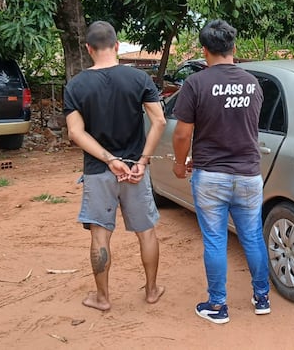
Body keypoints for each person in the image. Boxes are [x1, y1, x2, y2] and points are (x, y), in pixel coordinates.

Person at [63, 20, 167, 311]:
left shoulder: (76, 85)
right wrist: (143, 160)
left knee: (100, 235)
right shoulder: (138, 79)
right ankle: (151, 290)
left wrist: (109, 159)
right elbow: (159, 121)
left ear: (88, 49)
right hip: (134, 170)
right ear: (117, 45)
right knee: (146, 231)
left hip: (99, 171)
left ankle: (103, 298)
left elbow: (75, 132)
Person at [171, 19, 270, 324]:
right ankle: (262, 298)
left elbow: (182, 134)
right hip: (248, 174)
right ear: (233, 48)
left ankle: (217, 306)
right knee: (252, 237)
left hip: (211, 175)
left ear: (204, 50)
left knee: (215, 241)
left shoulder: (196, 84)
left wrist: (179, 162)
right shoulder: (252, 83)